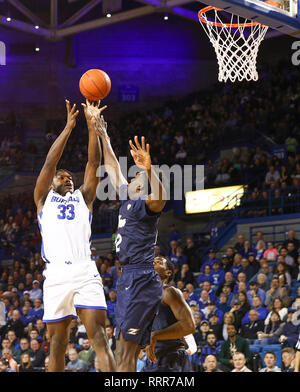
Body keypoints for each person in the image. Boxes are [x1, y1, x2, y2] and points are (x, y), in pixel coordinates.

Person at [33, 100, 115, 372]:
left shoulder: (84, 198)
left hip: (84, 269)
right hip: (55, 274)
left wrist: (93, 127)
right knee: (56, 342)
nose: (67, 179)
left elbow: (94, 161)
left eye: (70, 177)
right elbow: (49, 162)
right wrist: (69, 127)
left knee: (100, 338)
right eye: (61, 177)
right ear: (52, 182)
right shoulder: (43, 199)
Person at [94, 114, 167, 372]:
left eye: (139, 178)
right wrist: (104, 136)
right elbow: (113, 169)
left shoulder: (147, 204)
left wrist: (149, 169)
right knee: (126, 351)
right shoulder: (127, 199)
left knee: (124, 351)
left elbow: (161, 198)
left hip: (140, 277)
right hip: (128, 278)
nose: (132, 178)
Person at [142, 256, 195, 372]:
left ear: (168, 272)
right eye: (152, 261)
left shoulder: (169, 292)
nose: (153, 262)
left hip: (172, 356)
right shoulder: (146, 298)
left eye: (159, 262)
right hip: (153, 359)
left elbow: (189, 326)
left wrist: (154, 336)